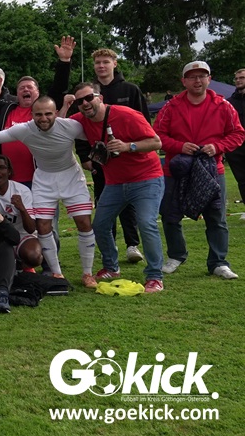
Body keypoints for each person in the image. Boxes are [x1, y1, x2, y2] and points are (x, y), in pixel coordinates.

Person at [0, 96, 97, 286]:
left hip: (71, 176)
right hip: (44, 179)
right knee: (43, 227)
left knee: (84, 222)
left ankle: (87, 273)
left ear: (56, 113)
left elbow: (95, 132)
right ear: (32, 115)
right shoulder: (25, 129)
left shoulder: (71, 126)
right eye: (38, 114)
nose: (43, 118)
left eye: (48, 114)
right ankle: (56, 274)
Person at [68, 83, 166, 293]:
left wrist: (128, 146)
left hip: (146, 179)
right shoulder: (81, 119)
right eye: (79, 101)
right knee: (100, 225)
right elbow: (55, 124)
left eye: (89, 98)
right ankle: (111, 267)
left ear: (100, 98)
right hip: (115, 183)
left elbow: (156, 142)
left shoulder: (127, 115)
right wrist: (65, 105)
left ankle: (155, 276)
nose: (85, 103)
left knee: (146, 223)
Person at [154, 61, 245, 279]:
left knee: (217, 217)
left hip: (213, 169)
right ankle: (176, 255)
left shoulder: (223, 105)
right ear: (183, 81)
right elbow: (157, 135)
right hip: (177, 169)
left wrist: (218, 147)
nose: (197, 80)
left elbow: (238, 134)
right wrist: (179, 146)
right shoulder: (171, 107)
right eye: (192, 77)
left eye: (202, 76)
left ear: (209, 79)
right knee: (170, 214)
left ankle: (218, 262)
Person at [0, 155, 43, 273]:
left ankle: (25, 266)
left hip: (22, 236)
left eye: (1, 168)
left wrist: (22, 209)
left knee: (33, 256)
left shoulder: (22, 191)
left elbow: (31, 229)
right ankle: (12, 267)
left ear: (9, 171)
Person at [224, 68, 245, 208]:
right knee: (242, 181)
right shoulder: (229, 103)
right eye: (236, 78)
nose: (238, 80)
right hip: (236, 149)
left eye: (241, 78)